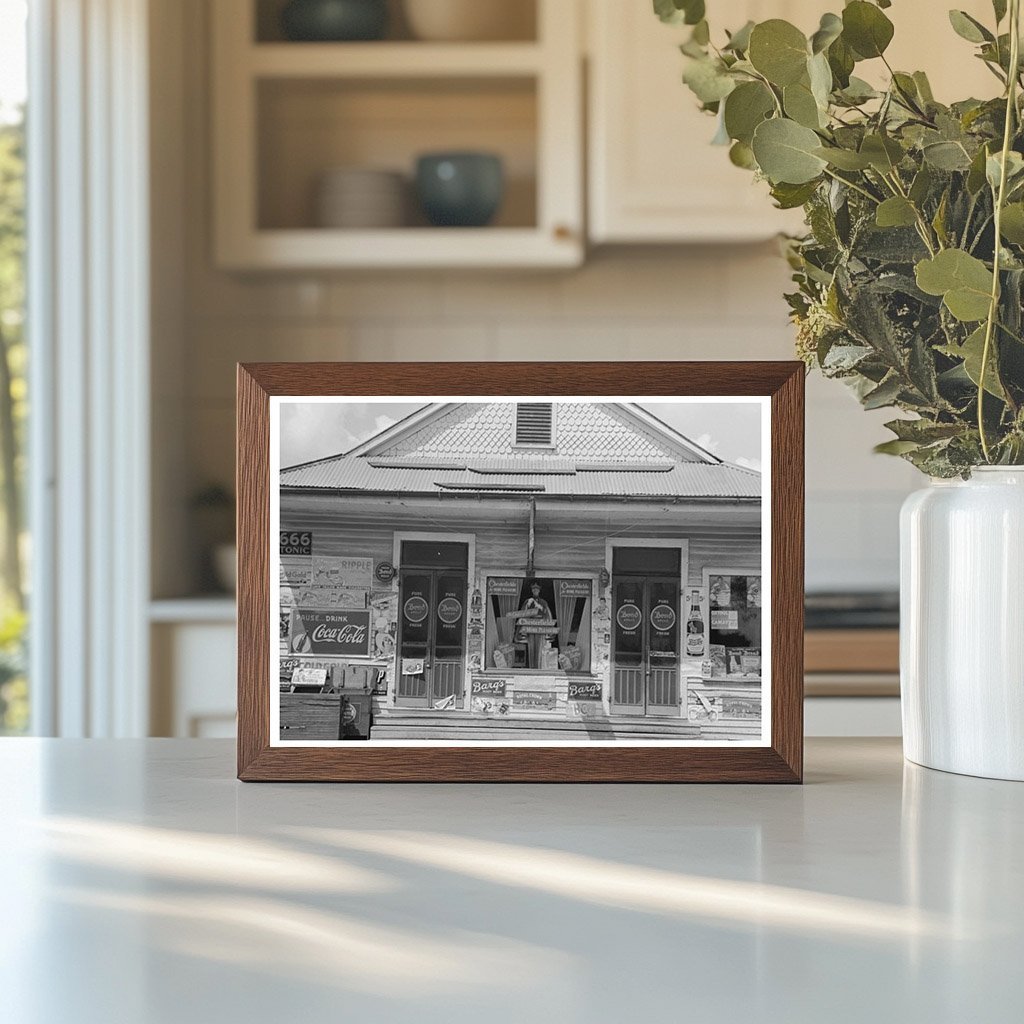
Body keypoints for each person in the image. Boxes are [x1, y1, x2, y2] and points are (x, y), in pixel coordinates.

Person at [517, 581, 554, 669]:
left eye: (536, 589)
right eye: (533, 589)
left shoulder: (543, 602)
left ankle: (539, 669)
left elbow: (547, 614)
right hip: (530, 628)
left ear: (539, 591)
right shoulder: (527, 601)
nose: (535, 591)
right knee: (531, 649)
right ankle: (531, 668)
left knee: (540, 650)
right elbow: (523, 614)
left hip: (540, 628)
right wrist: (527, 605)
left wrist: (549, 629)